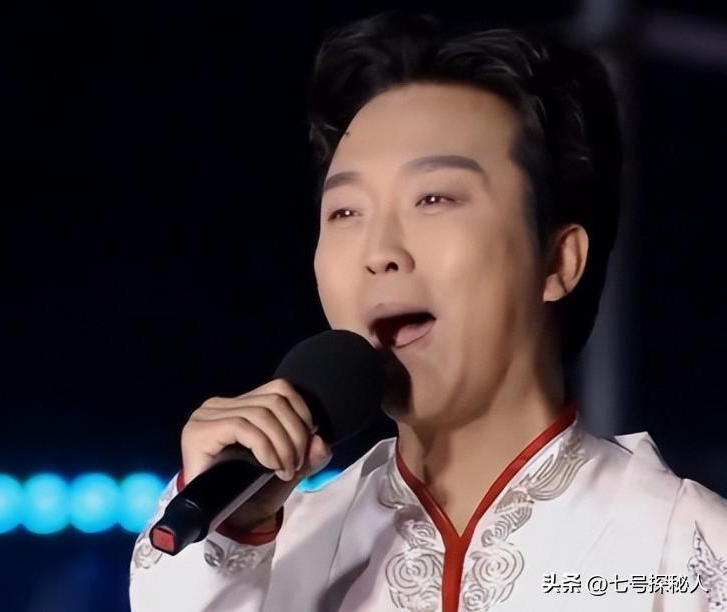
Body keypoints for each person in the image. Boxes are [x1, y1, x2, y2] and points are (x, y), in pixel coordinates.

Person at [128, 10, 727, 612]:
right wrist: (228, 542)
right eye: (345, 212)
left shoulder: (682, 556)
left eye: (434, 198)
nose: (379, 253)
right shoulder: (264, 554)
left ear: (557, 261)